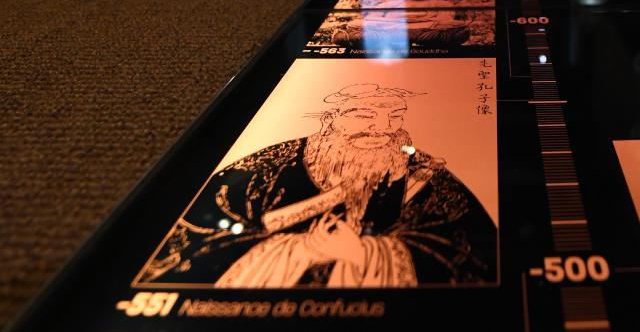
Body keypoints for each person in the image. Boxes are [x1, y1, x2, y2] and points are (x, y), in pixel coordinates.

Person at [138, 83, 496, 287]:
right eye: (364, 115)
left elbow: (464, 250)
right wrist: (303, 248)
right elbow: (195, 240)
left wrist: (365, 255)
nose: (382, 128)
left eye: (395, 116)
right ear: (330, 120)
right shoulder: (267, 167)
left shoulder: (421, 171)